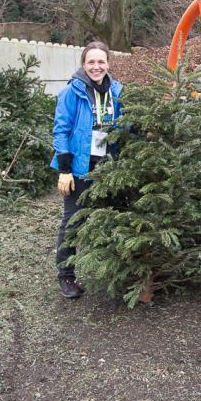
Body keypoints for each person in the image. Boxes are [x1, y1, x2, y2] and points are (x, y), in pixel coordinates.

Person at [51, 41, 123, 299]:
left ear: (108, 64)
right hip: (79, 168)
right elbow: (60, 131)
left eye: (101, 61)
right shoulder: (72, 92)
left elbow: (124, 126)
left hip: (107, 168)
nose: (96, 66)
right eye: (91, 62)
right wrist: (65, 168)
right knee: (73, 221)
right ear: (83, 64)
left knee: (108, 218)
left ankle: (109, 270)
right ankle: (66, 276)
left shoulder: (117, 90)